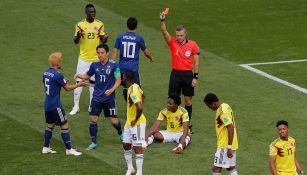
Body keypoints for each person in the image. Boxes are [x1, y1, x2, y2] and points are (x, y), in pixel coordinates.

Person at [74, 44, 122, 150]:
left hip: (109, 98)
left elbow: (118, 80)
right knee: (93, 119)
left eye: (102, 53)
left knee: (114, 121)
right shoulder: (94, 65)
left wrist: (111, 90)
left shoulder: (114, 65)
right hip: (96, 97)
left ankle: (120, 133)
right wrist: (79, 75)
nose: (100, 55)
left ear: (107, 53)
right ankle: (93, 142)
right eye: (98, 53)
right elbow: (88, 76)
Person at [159, 10, 200, 132]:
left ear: (185, 34)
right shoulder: (172, 43)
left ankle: (187, 124)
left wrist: (195, 77)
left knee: (188, 100)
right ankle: (172, 122)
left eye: (181, 35)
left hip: (188, 75)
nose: (179, 37)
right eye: (177, 35)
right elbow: (164, 32)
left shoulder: (193, 45)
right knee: (173, 99)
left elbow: (196, 62)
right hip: (175, 74)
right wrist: (162, 20)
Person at [42, 52, 84, 156]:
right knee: (64, 124)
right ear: (58, 62)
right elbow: (67, 88)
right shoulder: (58, 75)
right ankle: (69, 150)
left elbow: (51, 83)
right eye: (61, 60)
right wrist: (78, 85)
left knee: (50, 125)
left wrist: (62, 81)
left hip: (47, 104)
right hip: (55, 105)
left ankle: (45, 147)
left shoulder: (46, 72)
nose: (62, 62)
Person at [70, 3, 109, 115]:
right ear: (86, 13)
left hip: (95, 59)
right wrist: (78, 35)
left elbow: (102, 40)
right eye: (91, 12)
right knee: (79, 82)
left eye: (94, 11)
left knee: (93, 83)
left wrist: (105, 38)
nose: (93, 13)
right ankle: (76, 106)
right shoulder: (80, 25)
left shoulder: (100, 24)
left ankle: (92, 106)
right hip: (83, 58)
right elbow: (75, 41)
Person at [112, 17, 154, 101]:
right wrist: (151, 58)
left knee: (125, 86)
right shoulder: (139, 38)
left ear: (127, 26)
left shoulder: (120, 37)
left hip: (122, 68)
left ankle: (127, 104)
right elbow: (146, 52)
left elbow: (114, 52)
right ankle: (134, 106)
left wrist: (112, 64)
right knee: (137, 88)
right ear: (136, 27)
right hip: (133, 69)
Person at [204, 93, 238, 175]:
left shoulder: (222, 111)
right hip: (232, 143)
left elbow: (230, 127)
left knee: (216, 168)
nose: (209, 108)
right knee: (230, 167)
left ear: (213, 103)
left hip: (225, 145)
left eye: (209, 105)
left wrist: (229, 147)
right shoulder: (225, 105)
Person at [122, 70, 146, 175]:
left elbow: (140, 107)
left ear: (126, 78)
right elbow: (143, 96)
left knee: (137, 148)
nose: (122, 78)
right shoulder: (135, 86)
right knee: (126, 144)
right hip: (129, 123)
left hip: (137, 123)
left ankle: (139, 173)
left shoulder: (132, 91)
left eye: (123, 76)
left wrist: (135, 120)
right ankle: (130, 168)